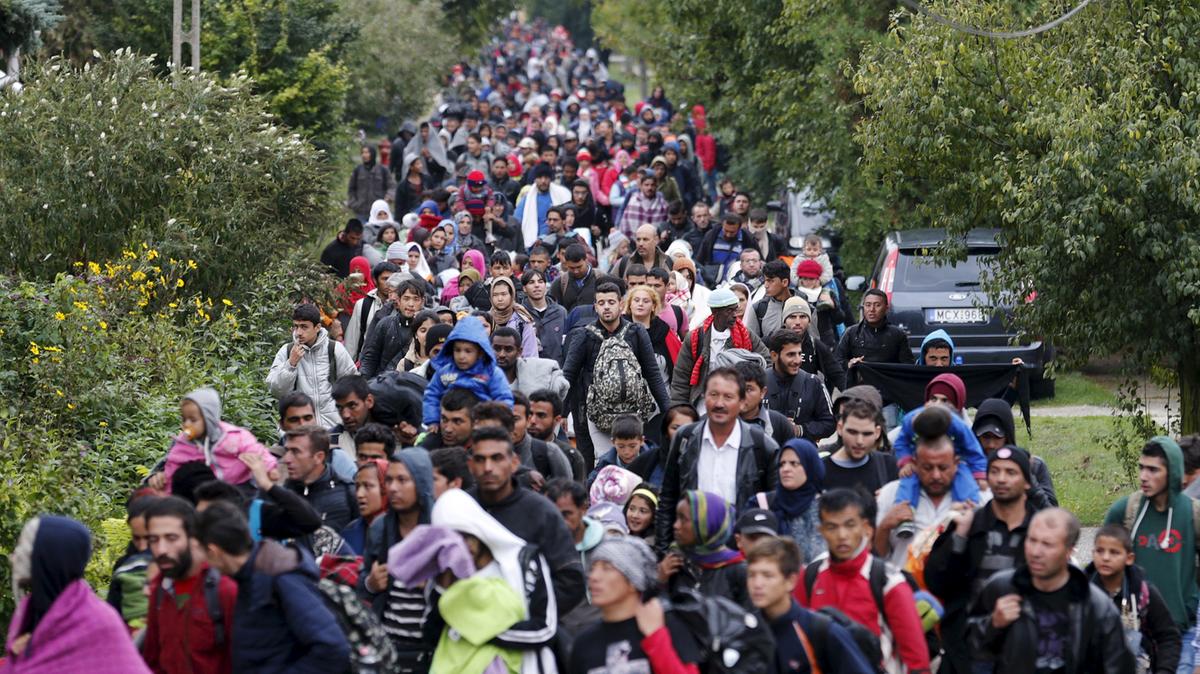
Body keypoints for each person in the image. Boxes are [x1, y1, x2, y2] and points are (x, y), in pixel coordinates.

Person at [967, 508, 1135, 673]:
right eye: (1032, 540)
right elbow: (967, 646)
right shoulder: (1001, 588)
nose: (1036, 552)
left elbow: (1119, 665)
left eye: (1047, 544)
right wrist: (992, 624)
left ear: (1069, 551)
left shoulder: (1096, 606)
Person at [923, 444, 1039, 674]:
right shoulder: (969, 524)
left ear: (1027, 482)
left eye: (1010, 472)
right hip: (968, 650)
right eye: (995, 471)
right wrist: (959, 537)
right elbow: (935, 581)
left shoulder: (1042, 529)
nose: (1001, 479)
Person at [196, 502, 350, 672]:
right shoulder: (247, 576)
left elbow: (332, 647)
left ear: (213, 551)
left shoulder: (280, 577)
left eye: (202, 553)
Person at [796, 488, 932, 673]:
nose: (841, 535)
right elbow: (798, 641)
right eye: (832, 527)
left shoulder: (889, 582)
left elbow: (917, 659)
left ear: (866, 529)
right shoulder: (810, 577)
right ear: (821, 531)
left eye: (850, 525)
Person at [429, 488, 561, 674]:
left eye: (463, 537)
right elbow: (431, 633)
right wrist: (442, 588)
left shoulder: (524, 562)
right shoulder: (448, 575)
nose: (460, 548)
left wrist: (477, 631)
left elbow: (544, 630)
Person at [3, 516, 152, 673]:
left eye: (24, 547)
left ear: (49, 558)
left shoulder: (97, 622)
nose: (14, 557)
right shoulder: (30, 615)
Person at [655, 367, 779, 554]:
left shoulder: (762, 445)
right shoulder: (685, 439)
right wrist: (664, 552)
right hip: (690, 551)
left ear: (742, 402)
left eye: (728, 397)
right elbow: (668, 498)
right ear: (704, 397)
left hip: (739, 554)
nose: (719, 403)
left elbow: (775, 506)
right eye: (713, 395)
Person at [1104, 437, 1200, 659]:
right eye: (1141, 468)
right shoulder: (1125, 510)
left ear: (1173, 472)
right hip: (1134, 632)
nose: (1143, 476)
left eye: (1153, 470)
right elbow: (1101, 565)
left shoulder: (1193, 514)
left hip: (1181, 632)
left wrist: (1190, 605)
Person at [563, 281, 670, 471]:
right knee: (603, 462)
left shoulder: (636, 333)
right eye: (601, 303)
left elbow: (652, 373)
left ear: (621, 304)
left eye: (611, 302)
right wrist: (560, 412)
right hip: (597, 413)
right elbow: (568, 376)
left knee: (633, 462)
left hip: (633, 411)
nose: (606, 307)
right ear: (595, 307)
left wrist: (669, 412)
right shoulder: (583, 335)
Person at [569, 537, 702, 674]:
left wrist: (656, 638)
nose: (593, 577)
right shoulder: (583, 643)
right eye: (593, 568)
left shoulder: (667, 626)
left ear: (633, 581)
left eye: (607, 568)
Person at [746, 536, 876, 674]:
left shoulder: (821, 631)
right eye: (751, 575)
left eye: (767, 575)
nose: (757, 584)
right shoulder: (742, 631)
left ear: (791, 581)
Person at [360, 448, 436, 668]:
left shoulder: (441, 526)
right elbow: (363, 585)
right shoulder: (380, 528)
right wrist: (371, 583)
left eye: (403, 480)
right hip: (389, 647)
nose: (393, 488)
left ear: (421, 482)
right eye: (389, 480)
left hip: (433, 647)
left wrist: (432, 584)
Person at [142, 496, 237, 674]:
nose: (161, 549)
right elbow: (152, 659)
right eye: (154, 540)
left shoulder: (224, 590)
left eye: (171, 538)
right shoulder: (160, 591)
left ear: (193, 538)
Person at [875, 427, 992, 568]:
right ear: (914, 463)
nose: (936, 475)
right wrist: (884, 527)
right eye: (927, 468)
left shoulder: (979, 498)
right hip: (904, 587)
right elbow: (875, 559)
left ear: (956, 463)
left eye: (943, 468)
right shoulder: (891, 494)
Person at [1089, 524, 1182, 674]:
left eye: (1114, 552)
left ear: (1129, 558)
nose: (1105, 557)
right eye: (1100, 551)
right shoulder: (1080, 593)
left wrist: (1164, 670)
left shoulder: (1144, 594)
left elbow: (1169, 637)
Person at [892, 384, 989, 509]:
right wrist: (906, 461)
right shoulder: (911, 420)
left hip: (954, 462)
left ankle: (967, 510)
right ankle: (904, 514)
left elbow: (973, 450)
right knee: (908, 481)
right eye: (933, 399)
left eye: (944, 400)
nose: (938, 404)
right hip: (918, 462)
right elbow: (901, 442)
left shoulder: (958, 424)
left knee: (965, 482)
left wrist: (979, 474)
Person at [671, 287, 770, 409]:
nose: (735, 315)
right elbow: (681, 377)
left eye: (735, 310)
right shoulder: (695, 338)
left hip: (737, 404)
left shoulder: (746, 334)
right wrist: (679, 410)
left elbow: (767, 362)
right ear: (715, 312)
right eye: (729, 311)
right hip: (702, 404)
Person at [163, 387, 278, 492]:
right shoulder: (184, 444)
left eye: (193, 420)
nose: (186, 424)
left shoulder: (232, 436)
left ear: (209, 419)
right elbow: (172, 467)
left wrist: (270, 468)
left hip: (239, 485)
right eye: (184, 419)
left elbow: (256, 451)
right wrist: (167, 490)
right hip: (205, 491)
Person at [267, 303, 359, 428]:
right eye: (296, 326)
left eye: (304, 327)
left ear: (317, 327)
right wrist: (291, 364)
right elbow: (276, 391)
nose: (299, 332)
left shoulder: (334, 349)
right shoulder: (287, 351)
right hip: (299, 430)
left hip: (334, 428)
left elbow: (354, 387)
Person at [422, 313, 514, 432]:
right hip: (448, 426)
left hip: (482, 426)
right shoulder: (444, 372)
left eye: (468, 351)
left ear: (480, 352)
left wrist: (495, 423)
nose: (461, 356)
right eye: (457, 350)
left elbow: (504, 399)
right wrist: (433, 421)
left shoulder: (491, 372)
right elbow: (432, 395)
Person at [748, 439, 827, 563]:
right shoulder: (760, 504)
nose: (785, 469)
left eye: (794, 463)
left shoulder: (828, 506)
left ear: (810, 466)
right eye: (782, 464)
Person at [974, 397, 1058, 507]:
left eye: (997, 437)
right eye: (986, 437)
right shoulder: (965, 466)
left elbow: (1051, 513)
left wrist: (1027, 476)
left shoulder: (1034, 465)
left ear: (1008, 437)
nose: (991, 445)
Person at [473, 398, 573, 487]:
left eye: (515, 419)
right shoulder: (474, 453)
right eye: (504, 420)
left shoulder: (549, 452)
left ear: (528, 420)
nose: (510, 426)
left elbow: (565, 496)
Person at [281, 425, 357, 531]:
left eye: (295, 452)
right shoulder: (282, 495)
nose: (286, 459)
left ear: (319, 457)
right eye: (287, 451)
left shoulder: (348, 494)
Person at [764, 330, 836, 442]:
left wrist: (800, 430)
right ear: (774, 356)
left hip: (802, 452)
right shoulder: (758, 382)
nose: (798, 360)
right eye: (791, 355)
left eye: (799, 354)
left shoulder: (813, 383)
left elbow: (829, 423)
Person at [822, 397, 899, 495]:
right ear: (840, 428)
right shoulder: (819, 470)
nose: (859, 441)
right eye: (852, 432)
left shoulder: (889, 466)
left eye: (867, 434)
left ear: (877, 432)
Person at [106, 492, 157, 629]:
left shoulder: (179, 564)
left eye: (149, 538)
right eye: (137, 538)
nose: (142, 547)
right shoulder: (124, 566)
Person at [359, 278, 426, 378]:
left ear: (422, 301)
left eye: (416, 299)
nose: (411, 304)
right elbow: (370, 357)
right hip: (384, 383)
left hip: (414, 383)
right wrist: (364, 382)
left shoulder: (427, 327)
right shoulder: (385, 324)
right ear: (398, 301)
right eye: (406, 298)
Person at [780, 296, 845, 393]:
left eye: (802, 317)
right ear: (784, 321)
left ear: (809, 321)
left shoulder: (815, 346)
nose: (797, 322)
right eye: (792, 317)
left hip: (807, 400)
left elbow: (838, 375)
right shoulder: (772, 343)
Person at [528, 388, 587, 482]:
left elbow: (578, 494)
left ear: (557, 420)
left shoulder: (571, 456)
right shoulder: (513, 450)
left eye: (541, 415)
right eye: (529, 414)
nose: (533, 421)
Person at [736, 359, 798, 449]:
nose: (742, 394)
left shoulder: (779, 424)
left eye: (748, 389)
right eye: (738, 388)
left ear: (762, 392)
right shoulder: (721, 422)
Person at [345, 261, 400, 360]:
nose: (389, 283)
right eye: (385, 279)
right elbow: (352, 340)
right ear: (375, 280)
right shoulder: (363, 305)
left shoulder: (401, 306)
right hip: (366, 361)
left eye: (393, 279)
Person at [516, 162, 571, 251]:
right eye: (540, 178)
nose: (543, 181)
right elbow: (517, 220)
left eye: (546, 178)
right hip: (533, 244)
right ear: (535, 179)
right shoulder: (527, 200)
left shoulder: (561, 195)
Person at [589, 414, 654, 486]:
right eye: (621, 446)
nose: (627, 452)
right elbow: (591, 485)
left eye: (632, 446)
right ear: (613, 442)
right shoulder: (605, 462)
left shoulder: (653, 459)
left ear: (642, 441)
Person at [341, 458, 387, 555]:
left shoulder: (403, 532)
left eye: (367, 486)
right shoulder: (349, 531)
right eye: (357, 487)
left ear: (386, 488)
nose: (359, 494)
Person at [696, 213, 756, 286]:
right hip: (712, 282)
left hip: (736, 283)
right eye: (726, 230)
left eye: (732, 232)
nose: (728, 234)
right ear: (722, 226)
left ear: (739, 229)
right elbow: (699, 260)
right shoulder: (711, 236)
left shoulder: (747, 239)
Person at [521, 269, 568, 362]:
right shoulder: (520, 314)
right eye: (531, 282)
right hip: (532, 368)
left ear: (546, 286)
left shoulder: (560, 312)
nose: (537, 285)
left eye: (540, 281)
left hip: (557, 369)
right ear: (524, 288)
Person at [795, 260, 842, 348]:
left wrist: (833, 306)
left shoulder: (827, 293)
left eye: (811, 279)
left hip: (825, 342)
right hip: (801, 342)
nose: (808, 282)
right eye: (805, 278)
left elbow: (839, 319)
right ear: (800, 279)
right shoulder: (794, 295)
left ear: (818, 279)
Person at [745, 260, 795, 340]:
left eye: (770, 281)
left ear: (784, 282)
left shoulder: (804, 306)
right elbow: (751, 343)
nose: (766, 285)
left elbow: (813, 344)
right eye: (765, 280)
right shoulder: (758, 308)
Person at [490, 277, 539, 357]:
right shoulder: (487, 320)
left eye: (504, 294)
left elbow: (531, 355)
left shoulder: (522, 322)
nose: (500, 299)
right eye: (495, 295)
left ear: (511, 295)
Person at [550, 243, 607, 312]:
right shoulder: (560, 283)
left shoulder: (601, 278)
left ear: (586, 260)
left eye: (579, 267)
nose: (576, 271)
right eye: (572, 268)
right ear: (566, 263)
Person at [348, 145, 394, 221]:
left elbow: (391, 186)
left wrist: (388, 197)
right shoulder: (358, 170)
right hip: (361, 211)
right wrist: (353, 203)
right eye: (362, 153)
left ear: (372, 154)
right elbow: (351, 189)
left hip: (379, 212)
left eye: (367, 152)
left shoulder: (383, 170)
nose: (364, 155)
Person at [616, 172, 669, 237]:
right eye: (646, 185)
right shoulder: (633, 201)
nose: (650, 188)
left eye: (653, 185)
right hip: (634, 241)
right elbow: (625, 224)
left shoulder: (662, 203)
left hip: (656, 243)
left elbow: (666, 224)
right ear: (641, 186)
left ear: (656, 186)